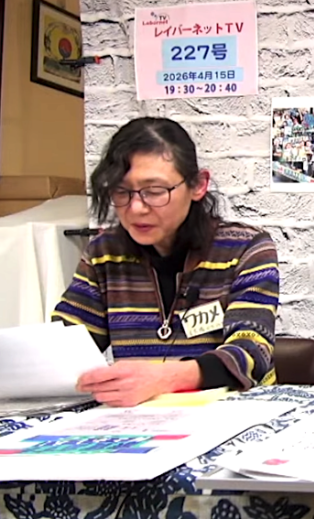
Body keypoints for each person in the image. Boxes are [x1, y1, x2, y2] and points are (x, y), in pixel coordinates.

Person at [53, 117, 278, 407]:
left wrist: (163, 378)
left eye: (155, 191)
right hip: (138, 419)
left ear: (198, 185)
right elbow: (66, 346)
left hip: (236, 413)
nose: (136, 208)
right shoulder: (104, 254)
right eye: (121, 191)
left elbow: (251, 352)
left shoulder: (246, 248)